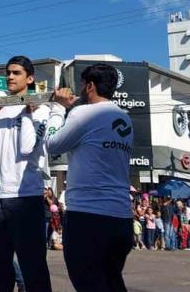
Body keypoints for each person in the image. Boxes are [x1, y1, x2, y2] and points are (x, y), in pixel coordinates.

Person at [46, 63, 135, 292]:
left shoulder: (83, 113)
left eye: (83, 85)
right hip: (121, 217)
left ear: (90, 86)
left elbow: (53, 143)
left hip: (88, 216)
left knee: (89, 283)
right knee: (111, 282)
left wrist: (58, 108)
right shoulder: (125, 119)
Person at [0, 56, 55, 292]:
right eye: (8, 73)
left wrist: (28, 113)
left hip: (26, 196)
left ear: (30, 79)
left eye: (16, 73)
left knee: (33, 267)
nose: (9, 77)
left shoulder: (41, 109)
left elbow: (26, 147)